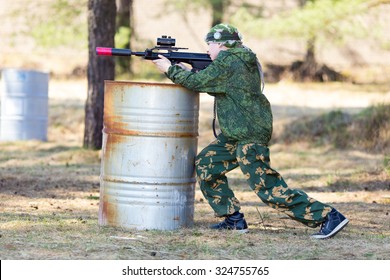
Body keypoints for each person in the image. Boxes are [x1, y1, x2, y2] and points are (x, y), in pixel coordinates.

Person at [152, 23, 349, 239]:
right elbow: (215, 83)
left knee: (268, 188)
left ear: (221, 44)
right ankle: (233, 219)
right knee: (207, 165)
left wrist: (169, 69)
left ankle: (327, 216)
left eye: (210, 44)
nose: (208, 49)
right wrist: (187, 71)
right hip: (237, 133)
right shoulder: (240, 59)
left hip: (248, 134)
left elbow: (198, 82)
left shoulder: (229, 61)